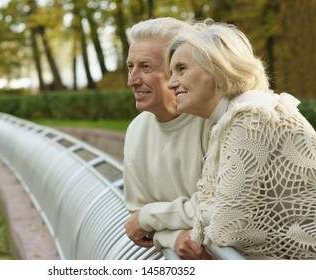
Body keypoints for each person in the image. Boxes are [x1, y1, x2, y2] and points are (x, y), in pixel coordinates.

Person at [167, 19, 316, 259]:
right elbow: (216, 208)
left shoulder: (251, 118)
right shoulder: (236, 115)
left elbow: (225, 229)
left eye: (181, 69)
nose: (171, 82)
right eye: (171, 72)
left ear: (217, 67)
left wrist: (197, 216)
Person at [123, 17, 213, 260]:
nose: (132, 80)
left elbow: (219, 208)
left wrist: (151, 221)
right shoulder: (137, 130)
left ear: (178, 70)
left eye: (146, 67)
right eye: (130, 66)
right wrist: (172, 238)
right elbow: (137, 218)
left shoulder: (213, 120)